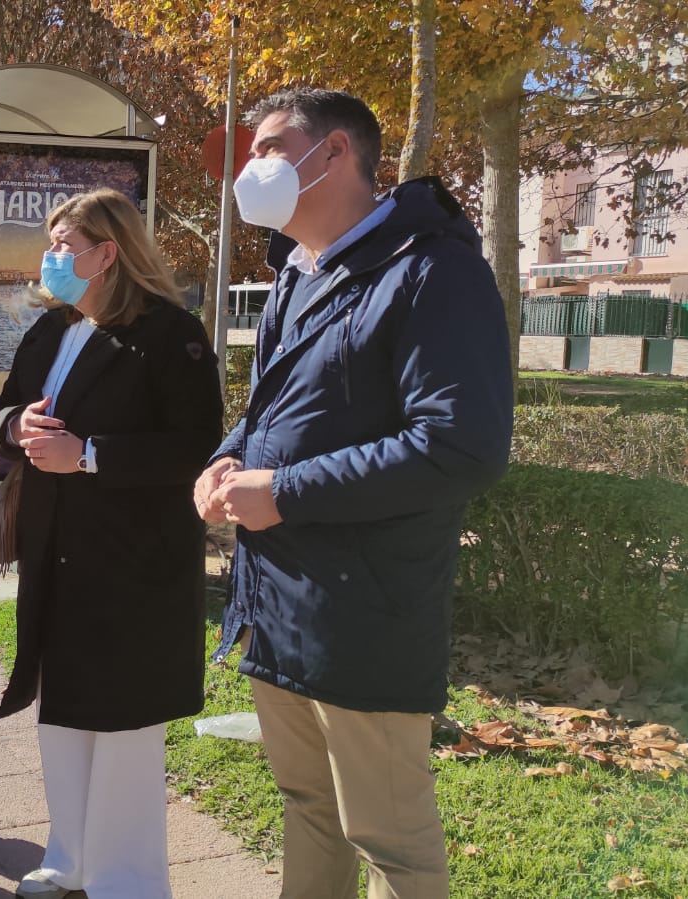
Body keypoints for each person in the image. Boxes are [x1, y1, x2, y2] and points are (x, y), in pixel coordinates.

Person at [195, 88, 513, 899]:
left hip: (366, 616)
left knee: (391, 844)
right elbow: (273, 408)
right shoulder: (298, 273)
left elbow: (460, 446)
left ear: (334, 152)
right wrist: (227, 460)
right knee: (309, 809)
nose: (252, 168)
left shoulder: (432, 269)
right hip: (279, 606)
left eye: (269, 148)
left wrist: (288, 491)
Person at [0, 189, 223, 899]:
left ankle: (129, 880)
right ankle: (70, 857)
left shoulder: (169, 333)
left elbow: (196, 445)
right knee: (64, 712)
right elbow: (0, 411)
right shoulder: (52, 329)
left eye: (64, 246)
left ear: (107, 252)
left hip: (134, 563)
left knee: (122, 727)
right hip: (57, 552)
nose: (50, 259)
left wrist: (90, 455)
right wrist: (13, 430)